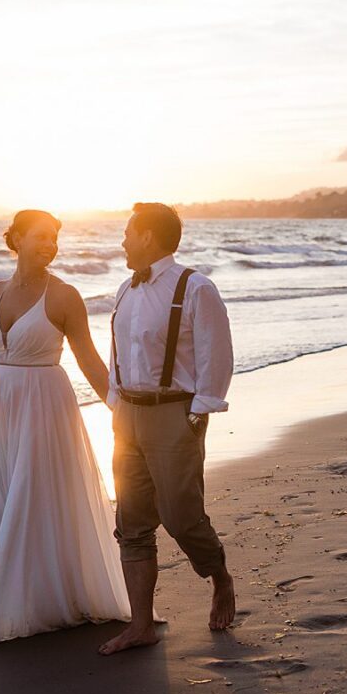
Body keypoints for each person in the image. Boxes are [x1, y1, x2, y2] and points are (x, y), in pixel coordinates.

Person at [0, 209, 131, 649]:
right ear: (15, 238)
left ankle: (29, 607)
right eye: (40, 236)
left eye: (54, 238)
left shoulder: (65, 296)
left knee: (32, 506)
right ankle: (19, 601)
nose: (50, 245)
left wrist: (119, 407)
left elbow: (88, 358)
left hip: (45, 406)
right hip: (3, 410)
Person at [98, 202, 236, 656]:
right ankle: (141, 626)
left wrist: (198, 413)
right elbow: (119, 352)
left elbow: (216, 355)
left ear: (149, 237)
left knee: (180, 515)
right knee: (131, 523)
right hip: (128, 417)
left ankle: (219, 576)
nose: (122, 239)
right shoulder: (126, 288)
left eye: (127, 232)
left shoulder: (195, 287)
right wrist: (116, 403)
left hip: (174, 413)